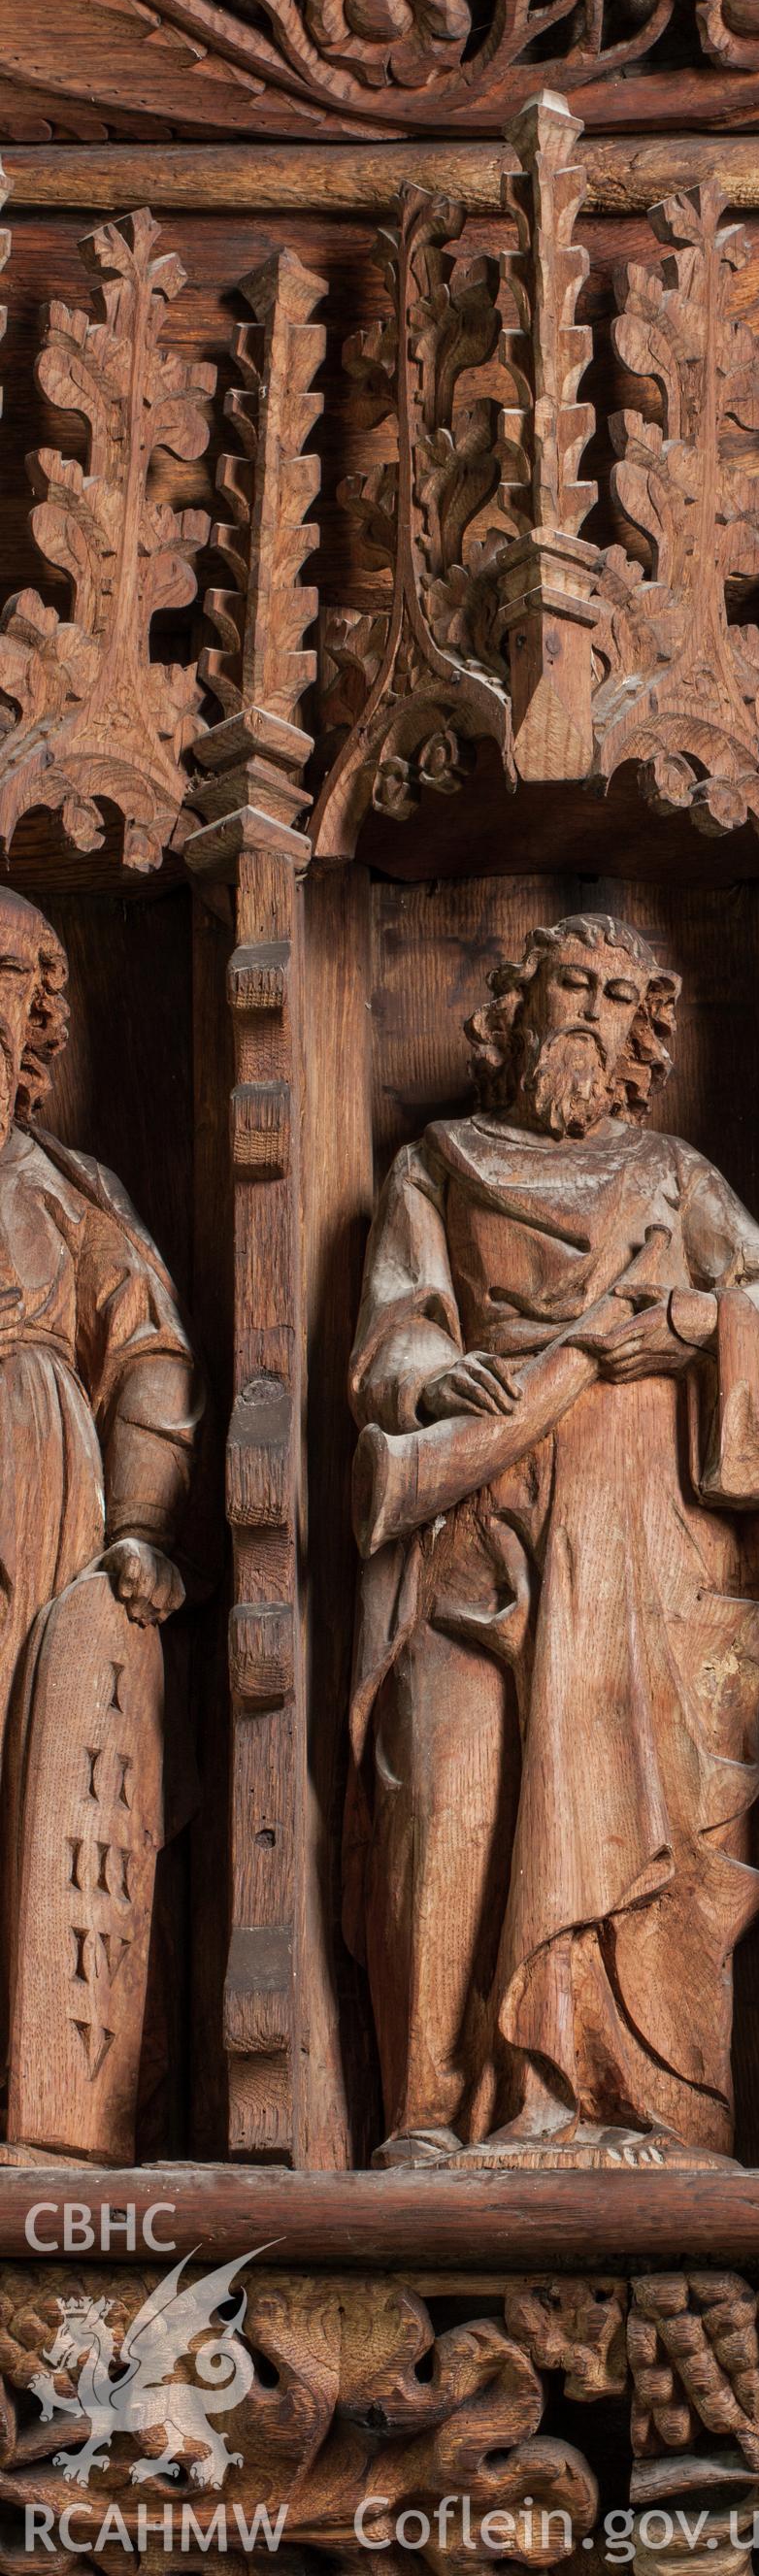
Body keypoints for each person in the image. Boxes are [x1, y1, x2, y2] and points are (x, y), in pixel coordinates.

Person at [347, 911, 759, 2166]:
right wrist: (434, 1378)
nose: (591, 1012)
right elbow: (397, 1327)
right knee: (442, 1788)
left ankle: (625, 2105)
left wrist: (690, 1319)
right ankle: (436, 2108)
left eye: (621, 998)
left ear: (642, 1038)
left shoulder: (675, 1179)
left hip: (643, 1550)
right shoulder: (439, 1164)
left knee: (630, 1792)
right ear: (517, 1007)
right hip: (479, 1516)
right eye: (572, 984)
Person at [0, 883, 201, 2160]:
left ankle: (38, 2106)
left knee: (24, 1780)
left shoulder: (71, 1191)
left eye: (8, 975)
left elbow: (152, 1364)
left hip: (30, 1486)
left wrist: (139, 1526)